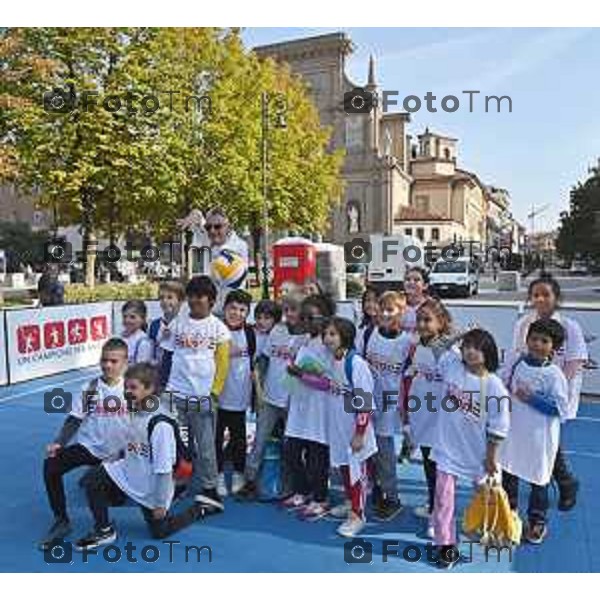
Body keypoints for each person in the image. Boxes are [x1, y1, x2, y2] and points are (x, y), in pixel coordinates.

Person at [74, 363, 203, 550]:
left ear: (149, 389)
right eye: (126, 387)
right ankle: (104, 530)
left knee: (160, 531)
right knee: (92, 479)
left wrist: (160, 504)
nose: (127, 391)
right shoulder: (134, 408)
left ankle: (200, 509)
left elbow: (164, 470)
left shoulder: (160, 425)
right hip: (129, 470)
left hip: (149, 484)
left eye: (133, 387)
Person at [39, 338, 130, 550]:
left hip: (120, 454)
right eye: (104, 360)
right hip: (90, 447)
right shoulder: (89, 388)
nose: (107, 365)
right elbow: (74, 419)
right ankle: (62, 520)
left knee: (114, 497)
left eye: (114, 361)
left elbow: (145, 422)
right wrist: (58, 443)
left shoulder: (132, 388)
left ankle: (108, 511)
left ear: (125, 362)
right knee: (51, 465)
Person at [431, 329, 510, 569]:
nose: (470, 351)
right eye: (467, 346)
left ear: (488, 353)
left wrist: (491, 458)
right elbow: (438, 345)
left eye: (477, 347)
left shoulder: (494, 386)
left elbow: (499, 426)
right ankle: (445, 545)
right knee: (443, 501)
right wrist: (461, 335)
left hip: (478, 456)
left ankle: (490, 531)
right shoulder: (452, 366)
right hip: (447, 451)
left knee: (488, 496)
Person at [511, 273, 587, 510]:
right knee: (537, 440)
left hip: (553, 393)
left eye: (546, 294)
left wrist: (551, 383)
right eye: (535, 295)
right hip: (525, 393)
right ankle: (558, 481)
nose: (540, 299)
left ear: (556, 298)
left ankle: (566, 484)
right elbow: (517, 354)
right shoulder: (524, 323)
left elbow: (575, 361)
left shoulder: (569, 326)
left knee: (549, 442)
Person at [162, 275, 231, 514]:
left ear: (211, 300)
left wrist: (214, 393)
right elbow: (168, 356)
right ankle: (180, 482)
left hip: (203, 397)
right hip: (174, 394)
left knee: (206, 446)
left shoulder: (219, 329)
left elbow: (222, 365)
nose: (194, 300)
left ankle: (210, 488)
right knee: (177, 444)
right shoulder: (177, 324)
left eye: (199, 296)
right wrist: (163, 388)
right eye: (190, 296)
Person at [500, 318, 569, 544]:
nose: (537, 344)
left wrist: (533, 399)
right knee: (509, 472)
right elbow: (506, 386)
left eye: (544, 341)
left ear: (554, 347)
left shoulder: (554, 375)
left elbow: (560, 409)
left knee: (538, 479)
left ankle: (537, 520)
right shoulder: (518, 363)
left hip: (539, 438)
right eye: (534, 339)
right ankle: (508, 514)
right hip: (514, 432)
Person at [236, 292, 307, 500]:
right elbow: (264, 360)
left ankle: (288, 486)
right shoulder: (277, 330)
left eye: (294, 310)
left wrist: (289, 394)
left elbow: (307, 370)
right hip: (269, 399)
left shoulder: (308, 337)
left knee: (290, 447)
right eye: (286, 310)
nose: (290, 314)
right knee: (259, 442)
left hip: (293, 403)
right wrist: (260, 390)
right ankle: (250, 482)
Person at [403, 298, 461, 538]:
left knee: (442, 470)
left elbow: (457, 386)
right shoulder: (416, 347)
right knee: (429, 465)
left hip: (442, 421)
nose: (422, 324)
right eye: (419, 320)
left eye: (428, 320)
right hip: (422, 416)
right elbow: (412, 377)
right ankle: (432, 505)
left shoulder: (451, 353)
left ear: (441, 322)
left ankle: (441, 514)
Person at [323, 317, 377, 537]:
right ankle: (350, 501)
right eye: (326, 334)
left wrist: (359, 433)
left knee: (357, 472)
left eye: (332, 334)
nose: (327, 339)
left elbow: (365, 402)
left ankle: (358, 514)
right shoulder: (332, 359)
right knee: (345, 468)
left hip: (355, 429)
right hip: (338, 426)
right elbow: (330, 386)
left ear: (345, 337)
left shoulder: (356, 364)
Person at [362, 290, 412, 520]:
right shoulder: (368, 333)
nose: (384, 313)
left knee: (385, 452)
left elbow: (410, 377)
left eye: (390, 309)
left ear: (401, 313)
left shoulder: (407, 343)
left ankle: (392, 497)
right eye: (381, 308)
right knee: (366, 449)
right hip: (366, 399)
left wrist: (407, 408)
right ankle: (372, 488)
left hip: (390, 404)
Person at [284, 295, 334, 518]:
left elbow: (328, 382)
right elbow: (296, 372)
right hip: (299, 407)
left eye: (311, 317)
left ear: (325, 318)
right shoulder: (302, 341)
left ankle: (320, 498)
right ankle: (302, 491)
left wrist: (301, 373)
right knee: (291, 451)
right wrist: (293, 376)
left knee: (317, 458)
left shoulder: (329, 345)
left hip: (319, 410)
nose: (305, 321)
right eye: (303, 317)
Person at [215, 290, 255, 497]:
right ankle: (219, 475)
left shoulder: (251, 333)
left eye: (242, 310)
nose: (236, 313)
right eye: (233, 308)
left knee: (239, 437)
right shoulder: (215, 330)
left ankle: (239, 474)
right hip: (217, 396)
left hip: (240, 397)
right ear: (224, 308)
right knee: (216, 437)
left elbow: (256, 363)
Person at [179, 207, 249, 313]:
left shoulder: (238, 246)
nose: (212, 230)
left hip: (232, 311)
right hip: (209, 311)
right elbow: (198, 216)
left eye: (218, 227)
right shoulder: (208, 236)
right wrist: (194, 215)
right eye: (208, 227)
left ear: (228, 227)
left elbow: (227, 271)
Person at [148, 280, 186, 389]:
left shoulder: (187, 325)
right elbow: (151, 352)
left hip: (181, 381)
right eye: (162, 298)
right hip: (159, 380)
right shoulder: (154, 325)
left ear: (180, 301)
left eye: (170, 297)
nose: (165, 301)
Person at [121, 300, 153, 364]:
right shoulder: (118, 337)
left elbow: (141, 370)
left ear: (142, 319)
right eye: (125, 316)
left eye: (132, 317)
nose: (127, 320)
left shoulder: (143, 342)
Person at [401, 266, 430, 334]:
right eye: (407, 279)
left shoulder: (433, 306)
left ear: (425, 285)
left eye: (416, 280)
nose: (411, 282)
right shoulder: (395, 303)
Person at [355, 285, 379, 356]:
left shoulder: (384, 328)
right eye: (368, 300)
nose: (371, 305)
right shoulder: (360, 325)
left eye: (376, 301)